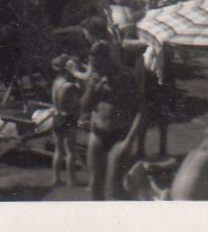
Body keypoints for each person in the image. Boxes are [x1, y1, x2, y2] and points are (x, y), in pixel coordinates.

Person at [81, 41, 144, 200]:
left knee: (115, 187)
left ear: (108, 60)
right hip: (97, 133)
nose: (96, 69)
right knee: (95, 183)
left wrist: (129, 141)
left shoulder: (126, 77)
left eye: (99, 65)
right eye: (94, 66)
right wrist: (91, 90)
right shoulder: (94, 77)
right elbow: (83, 108)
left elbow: (141, 111)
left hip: (120, 135)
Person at [49, 55, 83, 187]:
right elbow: (81, 97)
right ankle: (72, 179)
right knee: (70, 151)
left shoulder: (56, 81)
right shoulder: (70, 86)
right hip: (68, 118)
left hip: (56, 117)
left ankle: (55, 178)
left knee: (58, 150)